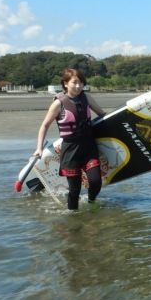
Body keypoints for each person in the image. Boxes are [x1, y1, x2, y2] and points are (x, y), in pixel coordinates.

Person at [34, 68, 106, 210]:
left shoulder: (87, 98)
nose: (79, 86)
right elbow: (44, 125)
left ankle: (91, 203)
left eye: (81, 83)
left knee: (96, 182)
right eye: (75, 83)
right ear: (65, 83)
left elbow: (102, 114)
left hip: (89, 147)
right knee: (74, 190)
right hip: (70, 151)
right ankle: (73, 217)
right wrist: (39, 148)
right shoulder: (58, 103)